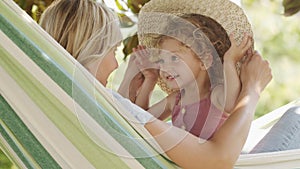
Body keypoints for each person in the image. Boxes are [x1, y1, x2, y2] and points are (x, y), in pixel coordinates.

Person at [39, 0, 273, 168]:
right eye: (112, 51)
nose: (115, 64)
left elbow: (134, 119)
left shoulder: (51, 109)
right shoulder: (100, 104)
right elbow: (217, 161)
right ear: (93, 51)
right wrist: (252, 88)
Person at [119, 13, 253, 139]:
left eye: (174, 58)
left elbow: (231, 104)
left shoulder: (214, 95)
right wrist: (150, 80)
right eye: (161, 61)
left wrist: (230, 61)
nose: (165, 68)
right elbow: (141, 121)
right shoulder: (175, 100)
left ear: (204, 61)